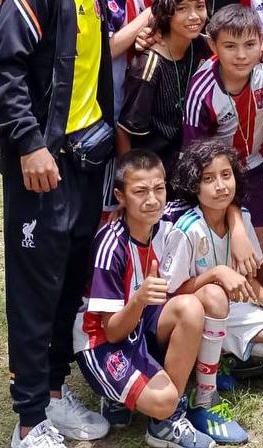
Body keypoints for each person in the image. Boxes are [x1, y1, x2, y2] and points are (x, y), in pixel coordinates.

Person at [0, 0, 124, 448]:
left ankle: (56, 395)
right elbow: (5, 70)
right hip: (42, 167)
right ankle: (27, 420)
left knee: (71, 284)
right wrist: (28, 145)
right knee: (34, 290)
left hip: (87, 167)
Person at [162, 140, 263, 442]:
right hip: (191, 318)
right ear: (194, 185)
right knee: (216, 296)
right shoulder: (186, 229)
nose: (220, 186)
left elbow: (250, 281)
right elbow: (171, 295)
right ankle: (204, 398)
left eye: (226, 175)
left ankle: (225, 362)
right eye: (208, 178)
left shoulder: (241, 219)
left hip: (230, 313)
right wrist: (216, 274)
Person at [73, 149, 216, 448]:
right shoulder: (111, 245)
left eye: (159, 188)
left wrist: (227, 255)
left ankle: (165, 422)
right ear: (120, 196)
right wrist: (138, 299)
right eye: (140, 191)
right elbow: (111, 331)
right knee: (163, 398)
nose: (152, 199)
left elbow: (218, 201)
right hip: (102, 341)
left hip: (140, 324)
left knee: (190, 307)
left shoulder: (167, 220)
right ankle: (124, 398)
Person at [182, 5, 263, 304]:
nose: (241, 55)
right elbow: (196, 161)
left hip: (256, 166)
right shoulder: (202, 92)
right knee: (237, 246)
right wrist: (236, 221)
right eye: (230, 46)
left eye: (250, 45)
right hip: (215, 176)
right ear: (212, 45)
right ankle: (235, 315)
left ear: (261, 42)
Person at [117, 0, 212, 177]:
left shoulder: (203, 45)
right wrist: (129, 182)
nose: (194, 16)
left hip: (192, 166)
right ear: (167, 13)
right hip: (156, 172)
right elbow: (125, 131)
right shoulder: (149, 65)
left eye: (200, 6)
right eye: (182, 9)